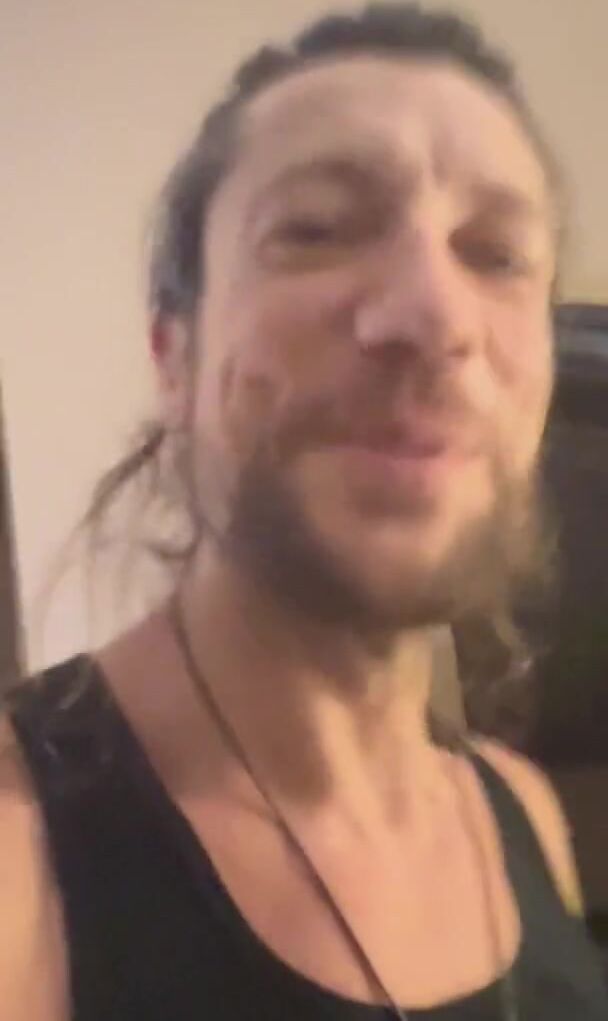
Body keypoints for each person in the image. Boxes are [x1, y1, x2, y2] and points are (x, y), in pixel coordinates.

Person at [1, 4, 607, 1019]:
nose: (435, 314)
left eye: (497, 253)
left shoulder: (525, 816)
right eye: (316, 229)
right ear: (174, 355)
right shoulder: (19, 857)